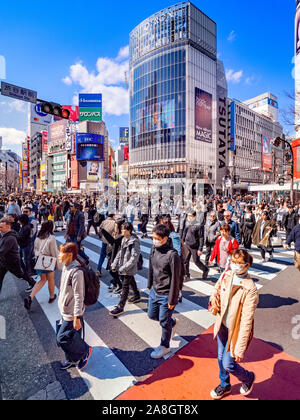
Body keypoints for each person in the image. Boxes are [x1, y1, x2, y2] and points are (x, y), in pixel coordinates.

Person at [209, 249, 259, 400]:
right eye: (233, 261)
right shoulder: (227, 274)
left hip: (236, 331)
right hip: (223, 325)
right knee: (219, 356)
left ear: (247, 265)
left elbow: (246, 320)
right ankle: (225, 385)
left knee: (228, 364)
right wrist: (213, 302)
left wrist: (240, 348)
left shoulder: (250, 289)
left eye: (239, 263)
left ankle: (248, 377)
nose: (235, 265)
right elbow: (216, 289)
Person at [56, 242, 93, 371]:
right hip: (65, 308)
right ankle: (71, 360)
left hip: (72, 313)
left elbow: (79, 297)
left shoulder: (77, 273)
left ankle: (85, 350)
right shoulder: (66, 266)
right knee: (70, 337)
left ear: (70, 255)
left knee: (62, 338)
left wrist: (77, 317)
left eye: (61, 253)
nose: (58, 255)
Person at [147, 224, 181, 359]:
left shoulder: (172, 255)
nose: (154, 240)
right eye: (153, 237)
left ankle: (165, 346)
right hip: (154, 290)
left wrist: (172, 299)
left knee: (163, 320)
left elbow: (176, 279)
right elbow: (151, 267)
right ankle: (172, 323)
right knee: (151, 315)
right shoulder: (153, 249)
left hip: (166, 294)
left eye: (156, 238)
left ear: (165, 238)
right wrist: (149, 284)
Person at [24, 221, 61, 310]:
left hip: (39, 261)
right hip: (48, 261)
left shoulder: (38, 237)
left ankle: (30, 297)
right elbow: (54, 252)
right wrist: (58, 264)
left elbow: (35, 250)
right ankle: (52, 297)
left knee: (42, 280)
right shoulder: (51, 238)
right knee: (50, 279)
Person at [109, 222, 141, 317]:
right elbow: (120, 253)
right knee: (131, 281)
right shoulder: (124, 239)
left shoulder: (134, 241)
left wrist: (123, 268)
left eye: (124, 229)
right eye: (122, 229)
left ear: (129, 231)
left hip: (128, 267)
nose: (122, 231)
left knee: (125, 286)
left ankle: (120, 306)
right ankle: (136, 295)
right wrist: (115, 264)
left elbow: (134, 258)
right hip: (123, 266)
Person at [0, 217, 36, 295]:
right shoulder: (5, 235)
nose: (0, 229)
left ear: (8, 227)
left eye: (1, 227)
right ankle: (32, 281)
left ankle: (32, 282)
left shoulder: (10, 238)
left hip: (11, 262)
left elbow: (2, 251)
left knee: (20, 274)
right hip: (4, 262)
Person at [182, 211, 209, 281]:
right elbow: (184, 232)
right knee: (185, 260)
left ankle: (205, 270)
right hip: (187, 244)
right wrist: (182, 241)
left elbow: (201, 237)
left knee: (196, 261)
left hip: (195, 246)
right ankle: (186, 275)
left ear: (194, 216)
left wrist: (200, 249)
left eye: (190, 216)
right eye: (188, 216)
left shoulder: (199, 225)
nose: (188, 217)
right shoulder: (187, 223)